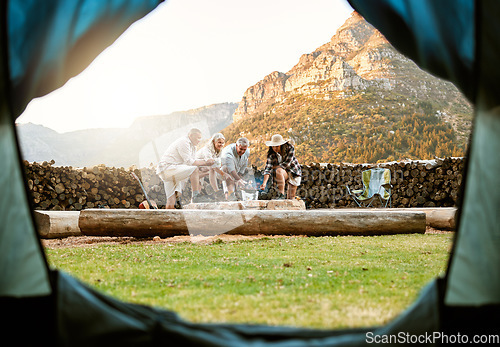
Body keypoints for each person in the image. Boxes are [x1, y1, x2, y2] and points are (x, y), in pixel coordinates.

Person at [156, 128, 214, 208]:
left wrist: (205, 167)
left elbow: (194, 163)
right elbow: (190, 162)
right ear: (191, 136)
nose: (199, 140)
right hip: (168, 168)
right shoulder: (184, 142)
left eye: (200, 138)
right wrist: (206, 161)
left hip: (171, 170)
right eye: (198, 138)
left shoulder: (193, 147)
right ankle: (196, 196)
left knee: (171, 199)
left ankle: (169, 218)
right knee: (194, 169)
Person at [259, 134, 301, 199]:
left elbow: (286, 164)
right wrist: (264, 183)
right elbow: (268, 168)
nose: (275, 148)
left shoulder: (290, 148)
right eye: (273, 147)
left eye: (277, 146)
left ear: (281, 145)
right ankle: (281, 194)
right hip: (282, 173)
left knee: (290, 197)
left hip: (293, 172)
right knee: (279, 171)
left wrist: (275, 167)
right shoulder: (271, 154)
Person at [195, 132, 231, 200]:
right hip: (196, 167)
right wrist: (223, 174)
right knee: (211, 170)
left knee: (212, 170)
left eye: (222, 143)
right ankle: (216, 190)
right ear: (214, 141)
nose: (221, 144)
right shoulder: (207, 149)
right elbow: (212, 165)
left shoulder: (219, 151)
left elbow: (217, 164)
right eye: (219, 142)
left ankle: (216, 191)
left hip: (204, 167)